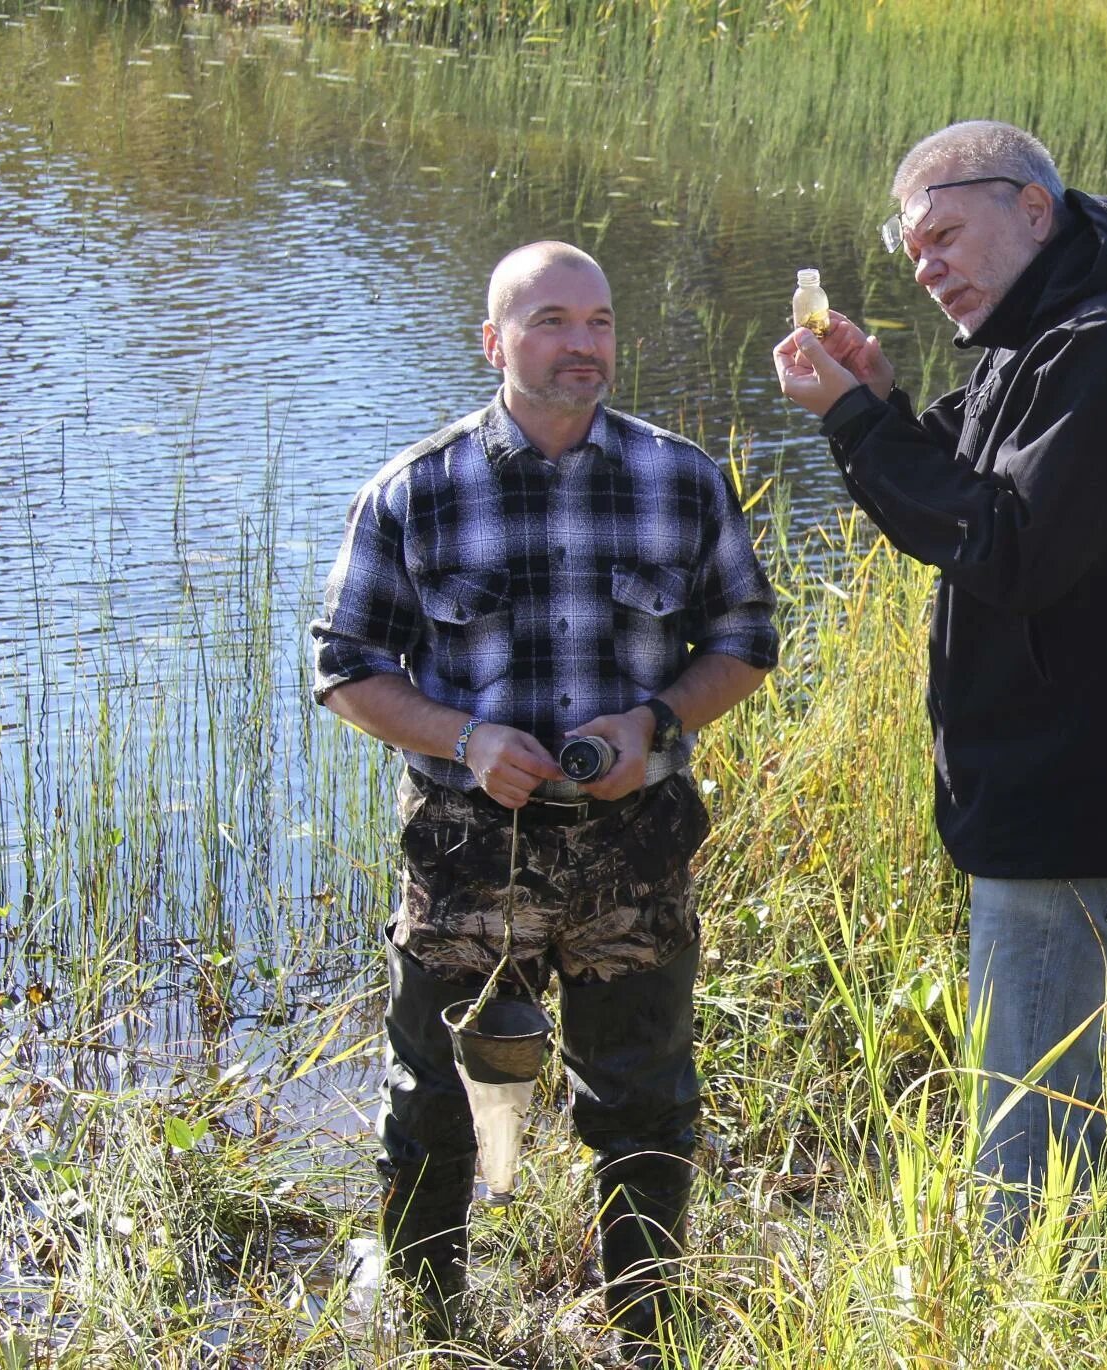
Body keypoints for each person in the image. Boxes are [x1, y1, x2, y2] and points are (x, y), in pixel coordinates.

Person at [772, 121, 1107, 1233]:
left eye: (944, 234)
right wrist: (875, 402)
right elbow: (957, 493)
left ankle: (1029, 1317)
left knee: (1025, 1122)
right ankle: (1090, 1297)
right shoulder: (1041, 345)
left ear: (1033, 208)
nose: (927, 266)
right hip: (1051, 791)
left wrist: (848, 419)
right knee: (1055, 1097)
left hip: (1077, 798)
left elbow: (1010, 549)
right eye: (911, 250)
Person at [311, 240, 777, 1357]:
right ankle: (432, 1323)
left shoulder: (680, 477)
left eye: (601, 323)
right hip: (470, 851)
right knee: (432, 1098)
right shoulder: (415, 489)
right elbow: (344, 667)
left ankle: (648, 1324)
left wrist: (654, 725)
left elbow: (748, 639)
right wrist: (464, 737)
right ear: (495, 342)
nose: (584, 346)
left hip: (634, 847)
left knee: (646, 1100)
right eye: (554, 322)